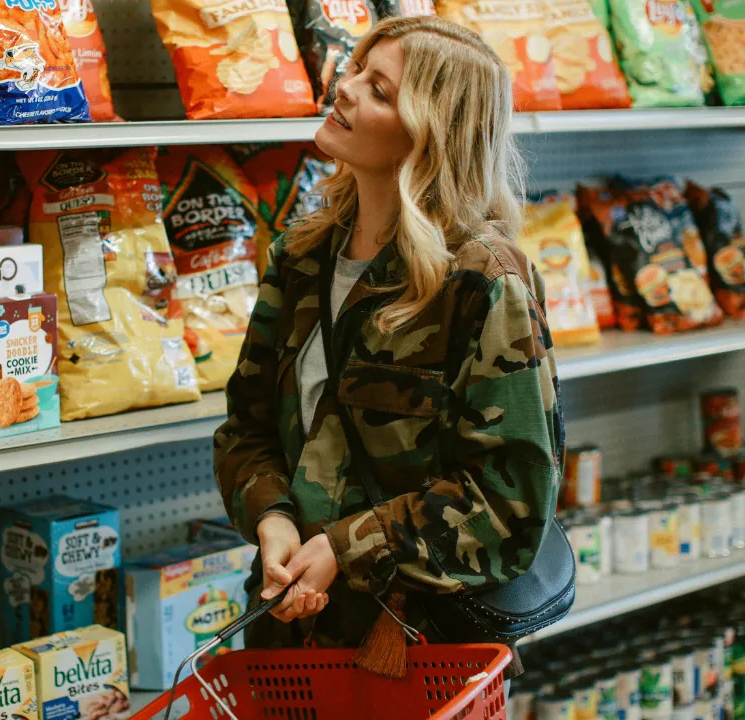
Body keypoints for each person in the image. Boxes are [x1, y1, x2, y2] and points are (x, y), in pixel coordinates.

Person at [212, 15, 564, 674]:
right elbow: (245, 427)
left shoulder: (482, 276)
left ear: (431, 134)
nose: (343, 90)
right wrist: (275, 522)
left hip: (420, 646)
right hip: (291, 630)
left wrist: (346, 547)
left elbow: (508, 504)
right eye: (353, 72)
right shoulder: (303, 253)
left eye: (378, 90)